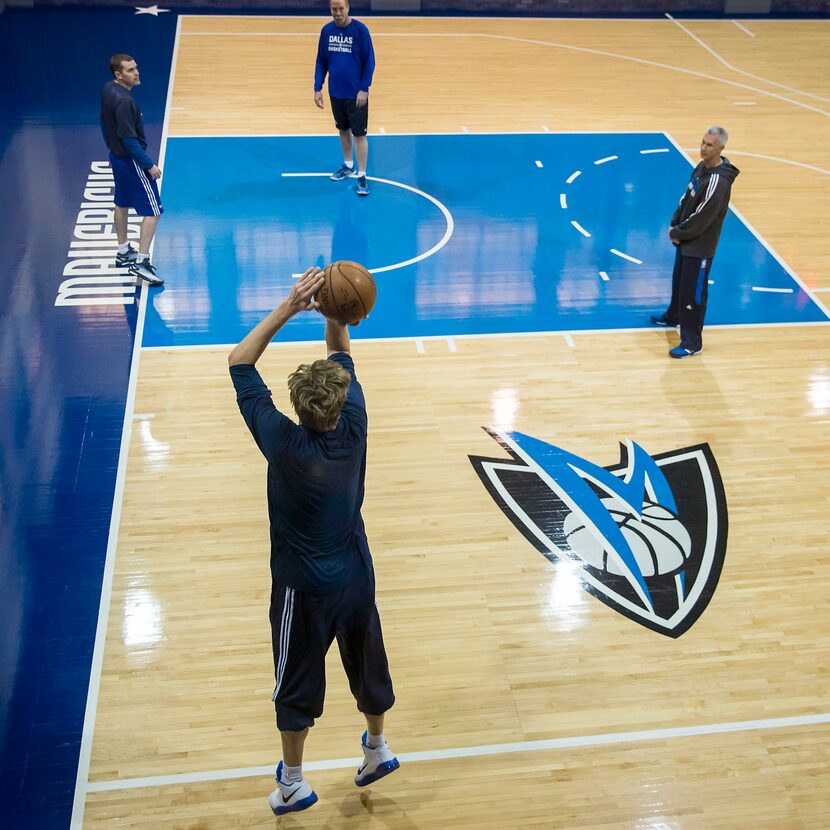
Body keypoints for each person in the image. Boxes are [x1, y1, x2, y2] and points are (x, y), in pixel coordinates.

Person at [228, 268, 398, 816]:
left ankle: (293, 781)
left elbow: (239, 361)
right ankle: (377, 747)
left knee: (296, 683)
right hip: (355, 573)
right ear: (340, 400)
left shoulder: (282, 442)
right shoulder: (356, 423)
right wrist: (331, 309)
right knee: (367, 662)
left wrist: (291, 303)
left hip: (305, 590)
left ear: (297, 408)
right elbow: (340, 349)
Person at [651, 126, 739, 358]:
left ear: (721, 148)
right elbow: (686, 197)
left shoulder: (718, 182)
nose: (703, 147)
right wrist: (674, 224)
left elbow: (702, 217)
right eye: (702, 142)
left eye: (709, 145)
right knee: (679, 283)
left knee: (694, 294)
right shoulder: (701, 168)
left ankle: (692, 343)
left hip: (699, 247)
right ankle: (673, 316)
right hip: (686, 240)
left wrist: (678, 233)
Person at [100, 54, 165, 286]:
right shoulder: (125, 102)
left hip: (116, 158)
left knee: (122, 203)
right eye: (130, 70)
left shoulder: (109, 89)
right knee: (154, 211)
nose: (136, 73)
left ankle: (123, 250)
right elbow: (129, 140)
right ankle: (142, 262)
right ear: (119, 74)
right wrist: (149, 165)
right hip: (131, 161)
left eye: (136, 68)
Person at [314, 0, 375, 197]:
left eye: (341, 8)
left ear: (348, 8)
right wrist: (318, 87)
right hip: (336, 93)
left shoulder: (360, 30)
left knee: (360, 135)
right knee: (342, 130)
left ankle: (362, 176)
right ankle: (348, 165)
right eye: (334, 9)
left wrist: (364, 89)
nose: (338, 13)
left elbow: (369, 61)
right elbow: (321, 61)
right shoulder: (326, 31)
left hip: (356, 95)